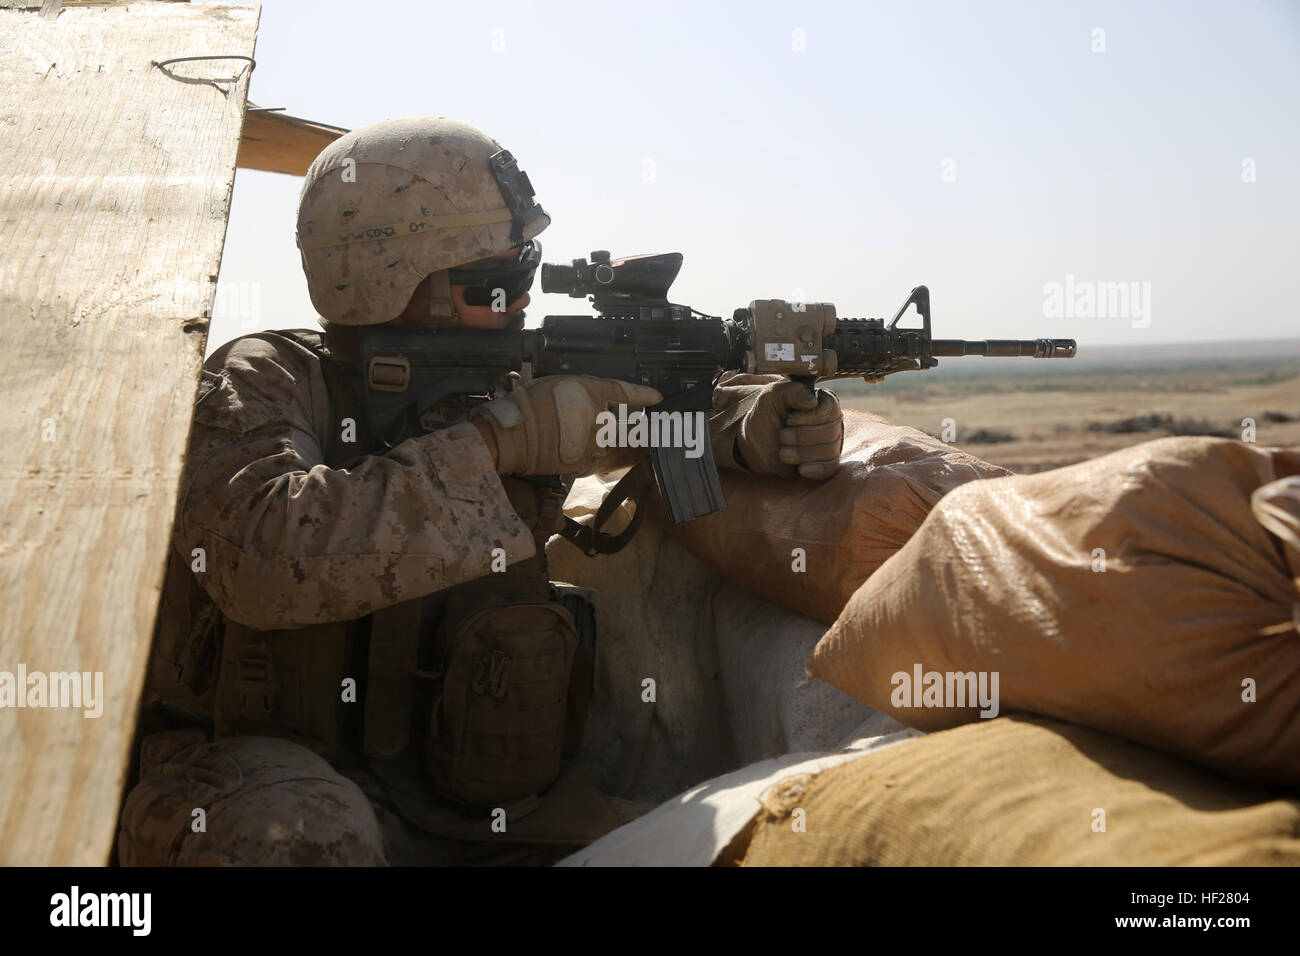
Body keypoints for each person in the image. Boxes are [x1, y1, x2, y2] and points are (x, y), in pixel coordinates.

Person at [118, 117, 844, 866]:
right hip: (253, 773)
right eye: (496, 284)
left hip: (471, 800)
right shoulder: (265, 379)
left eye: (525, 270)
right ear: (391, 285)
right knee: (307, 841)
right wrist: (498, 445)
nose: (520, 303)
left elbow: (650, 406)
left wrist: (748, 426)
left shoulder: (512, 375)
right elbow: (262, 556)